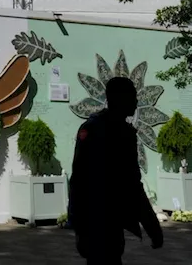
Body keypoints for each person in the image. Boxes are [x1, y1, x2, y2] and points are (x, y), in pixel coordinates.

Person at [69, 76, 163, 264]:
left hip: (99, 220)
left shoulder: (95, 128)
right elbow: (131, 184)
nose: (136, 101)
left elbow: (78, 178)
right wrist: (152, 226)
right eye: (133, 96)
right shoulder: (117, 132)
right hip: (102, 219)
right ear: (119, 98)